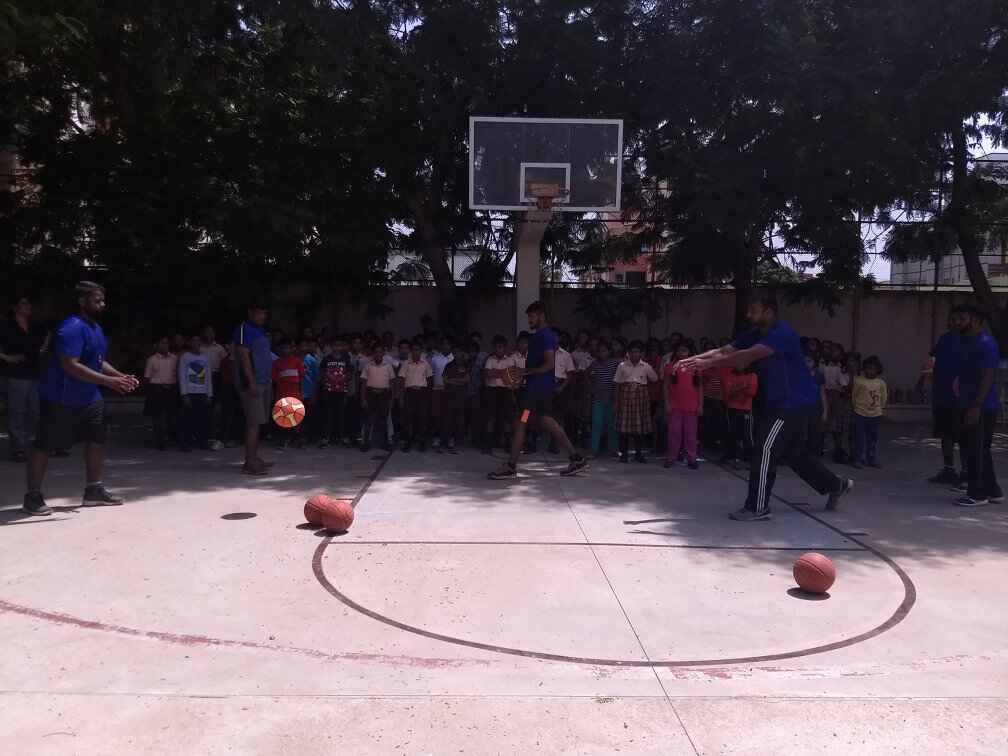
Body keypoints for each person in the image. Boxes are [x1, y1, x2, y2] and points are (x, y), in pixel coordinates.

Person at [679, 295, 852, 521]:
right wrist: (693, 360)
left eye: (754, 310)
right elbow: (726, 350)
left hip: (792, 403)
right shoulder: (757, 333)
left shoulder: (781, 334)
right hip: (784, 402)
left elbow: (744, 357)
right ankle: (836, 485)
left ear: (769, 312)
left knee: (765, 448)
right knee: (794, 454)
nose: (749, 315)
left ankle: (757, 507)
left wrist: (705, 364)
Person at [23, 281, 139, 515]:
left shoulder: (94, 327)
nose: (103, 305)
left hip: (90, 397)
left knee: (97, 440)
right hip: (60, 397)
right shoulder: (71, 327)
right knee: (44, 445)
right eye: (97, 300)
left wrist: (120, 376)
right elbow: (70, 366)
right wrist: (109, 382)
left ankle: (93, 491)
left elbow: (96, 360)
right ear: (82, 301)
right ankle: (32, 497)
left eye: (103, 300)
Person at [488, 302, 588, 479]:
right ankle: (576, 458)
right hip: (538, 391)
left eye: (532, 316)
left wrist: (525, 372)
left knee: (521, 421)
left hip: (537, 391)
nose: (529, 320)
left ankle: (511, 465)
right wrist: (523, 377)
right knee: (546, 421)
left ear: (541, 315)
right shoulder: (540, 336)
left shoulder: (546, 336)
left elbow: (549, 364)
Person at [955, 308, 1003, 507]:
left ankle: (977, 494)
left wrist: (976, 405)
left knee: (975, 450)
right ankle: (993, 491)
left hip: (981, 407)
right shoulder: (970, 342)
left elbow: (988, 376)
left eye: (962, 319)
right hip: (969, 403)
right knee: (978, 449)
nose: (957, 322)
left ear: (976, 321)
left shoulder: (986, 344)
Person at [1, 295, 49, 462]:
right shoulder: (6, 325)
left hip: (35, 372)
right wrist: (5, 358)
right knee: (17, 412)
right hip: (15, 374)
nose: (28, 306)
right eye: (24, 303)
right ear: (15, 307)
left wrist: (42, 350)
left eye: (29, 303)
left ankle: (37, 445)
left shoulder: (35, 325)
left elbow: (48, 336)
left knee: (36, 411)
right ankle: (18, 449)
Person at [927, 307, 970, 485]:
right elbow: (932, 361)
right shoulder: (944, 339)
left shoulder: (970, 341)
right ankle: (949, 469)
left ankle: (967, 472)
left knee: (964, 436)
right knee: (945, 434)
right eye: (952, 319)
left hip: (960, 397)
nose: (955, 322)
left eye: (960, 319)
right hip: (941, 394)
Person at [232, 301, 273, 475]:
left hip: (264, 382)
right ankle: (249, 462)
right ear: (250, 312)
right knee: (253, 423)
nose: (262, 316)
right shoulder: (243, 330)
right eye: (259, 313)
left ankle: (254, 457)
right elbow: (244, 358)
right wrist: (251, 382)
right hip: (252, 383)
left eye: (264, 313)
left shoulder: (261, 331)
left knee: (259, 422)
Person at [614, 340, 659, 463]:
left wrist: (642, 387)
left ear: (641, 353)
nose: (634, 354)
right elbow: (617, 384)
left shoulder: (646, 366)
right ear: (628, 353)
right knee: (624, 428)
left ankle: (639, 453)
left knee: (639, 428)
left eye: (637, 352)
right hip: (625, 397)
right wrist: (617, 402)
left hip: (640, 398)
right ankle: (624, 454)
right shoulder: (622, 366)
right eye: (632, 352)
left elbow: (655, 379)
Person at [664, 344, 702, 469]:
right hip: (675, 405)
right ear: (676, 351)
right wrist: (667, 403)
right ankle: (671, 458)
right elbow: (665, 386)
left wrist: (701, 405)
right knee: (674, 433)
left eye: (685, 350)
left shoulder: (696, 367)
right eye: (680, 350)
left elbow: (700, 387)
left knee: (691, 434)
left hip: (692, 405)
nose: (683, 352)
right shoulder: (670, 366)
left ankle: (692, 458)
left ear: (690, 352)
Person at [178, 334, 213, 452]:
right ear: (190, 343)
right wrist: (184, 394)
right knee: (187, 420)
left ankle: (202, 442)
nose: (196, 343)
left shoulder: (205, 358)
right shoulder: (185, 357)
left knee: (202, 419)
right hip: (189, 393)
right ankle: (185, 444)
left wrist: (209, 394)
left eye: (198, 341)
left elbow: (208, 376)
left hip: (202, 392)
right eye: (194, 341)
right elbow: (182, 375)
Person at [850, 355, 887, 469]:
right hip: (860, 413)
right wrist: (857, 407)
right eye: (867, 368)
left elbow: (884, 396)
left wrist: (880, 408)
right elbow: (854, 395)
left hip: (875, 414)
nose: (870, 371)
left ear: (878, 369)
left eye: (872, 369)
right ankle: (857, 459)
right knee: (859, 437)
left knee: (872, 438)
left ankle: (871, 458)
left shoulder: (881, 383)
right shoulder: (859, 381)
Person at [481, 335, 516, 453]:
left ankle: (508, 443)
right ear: (493, 348)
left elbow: (511, 376)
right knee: (490, 417)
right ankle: (488, 444)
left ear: (505, 348)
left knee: (507, 418)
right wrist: (503, 373)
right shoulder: (490, 359)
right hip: (492, 391)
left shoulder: (510, 360)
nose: (499, 349)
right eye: (497, 347)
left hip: (506, 391)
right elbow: (487, 374)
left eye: (501, 347)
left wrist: (497, 372)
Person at [317, 337, 354, 448]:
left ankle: (342, 437)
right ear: (331, 347)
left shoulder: (346, 359)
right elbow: (321, 372)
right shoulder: (326, 359)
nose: (337, 348)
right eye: (335, 345)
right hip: (328, 390)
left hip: (342, 391)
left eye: (339, 345)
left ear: (342, 346)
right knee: (328, 414)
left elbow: (350, 373)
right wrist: (329, 376)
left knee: (341, 414)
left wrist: (343, 378)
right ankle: (326, 437)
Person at [144, 336, 180, 450]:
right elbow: (147, 378)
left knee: (172, 416)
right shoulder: (151, 360)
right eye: (162, 343)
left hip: (171, 389)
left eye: (166, 343)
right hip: (157, 389)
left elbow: (179, 374)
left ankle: (172, 438)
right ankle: (160, 442)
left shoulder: (175, 358)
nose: (165, 345)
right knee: (157, 418)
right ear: (157, 345)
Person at [588, 340, 620, 457]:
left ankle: (613, 449)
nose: (602, 353)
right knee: (596, 424)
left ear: (609, 351)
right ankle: (593, 450)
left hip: (611, 398)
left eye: (604, 351)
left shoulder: (615, 363)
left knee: (612, 425)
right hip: (598, 399)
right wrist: (592, 388)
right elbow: (587, 375)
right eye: (600, 351)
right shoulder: (594, 364)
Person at [271, 338, 305, 448]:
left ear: (292, 349)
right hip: (282, 393)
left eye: (288, 348)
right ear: (280, 349)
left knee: (297, 416)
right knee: (283, 417)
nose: (286, 350)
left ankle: (297, 438)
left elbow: (301, 378)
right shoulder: (276, 363)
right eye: (283, 348)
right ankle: (283, 439)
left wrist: (301, 393)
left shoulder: (297, 362)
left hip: (295, 393)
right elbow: (275, 380)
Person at [360, 345, 395, 452]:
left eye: (380, 352)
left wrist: (392, 399)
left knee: (385, 419)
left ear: (383, 354)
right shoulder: (368, 366)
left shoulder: (388, 366)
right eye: (376, 352)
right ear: (373, 354)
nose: (378, 354)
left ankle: (386, 442)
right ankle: (366, 442)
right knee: (368, 419)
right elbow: (363, 384)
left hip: (384, 394)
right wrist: (363, 399)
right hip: (371, 394)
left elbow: (392, 383)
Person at [721, 366, 758, 465]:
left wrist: (737, 389)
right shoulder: (729, 376)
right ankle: (732, 455)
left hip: (745, 409)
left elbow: (751, 392)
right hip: (731, 408)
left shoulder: (752, 375)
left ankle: (750, 457)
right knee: (732, 432)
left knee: (747, 433)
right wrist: (743, 387)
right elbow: (729, 393)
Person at [401, 341, 433, 452]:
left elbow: (429, 380)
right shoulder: (406, 363)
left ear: (421, 352)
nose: (416, 352)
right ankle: (407, 442)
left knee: (422, 418)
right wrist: (401, 396)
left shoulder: (426, 364)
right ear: (411, 352)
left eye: (418, 350)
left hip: (422, 393)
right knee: (408, 419)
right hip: (410, 393)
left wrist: (427, 396)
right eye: (414, 350)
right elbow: (401, 379)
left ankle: (422, 442)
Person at [822, 343, 851, 463]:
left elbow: (845, 384)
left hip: (838, 396)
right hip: (825, 394)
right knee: (824, 423)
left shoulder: (842, 368)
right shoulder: (822, 365)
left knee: (838, 424)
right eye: (832, 351)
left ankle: (838, 449)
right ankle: (818, 447)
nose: (834, 353)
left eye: (837, 351)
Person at [200, 325, 227, 446]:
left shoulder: (219, 348)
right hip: (201, 376)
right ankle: (203, 432)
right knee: (203, 404)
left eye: (211, 332)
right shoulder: (199, 348)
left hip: (216, 376)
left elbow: (226, 362)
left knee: (216, 406)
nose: (209, 334)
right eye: (207, 332)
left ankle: (214, 432)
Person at [442, 344, 471, 452]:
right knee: (449, 418)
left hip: (461, 396)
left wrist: (453, 380)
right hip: (450, 396)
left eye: (459, 352)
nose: (457, 354)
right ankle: (448, 440)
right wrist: (458, 380)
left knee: (460, 419)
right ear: (452, 354)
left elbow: (467, 379)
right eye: (455, 352)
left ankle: (459, 441)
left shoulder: (465, 365)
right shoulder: (449, 365)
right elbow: (445, 380)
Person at [428, 337, 454, 451]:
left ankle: (449, 439)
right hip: (437, 390)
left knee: (449, 416)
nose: (445, 346)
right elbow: (431, 374)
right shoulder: (435, 359)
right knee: (437, 415)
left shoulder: (454, 358)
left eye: (447, 344)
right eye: (443, 344)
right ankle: (437, 438)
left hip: (451, 391)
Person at [300, 337, 319, 443]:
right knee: (297, 415)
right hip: (297, 391)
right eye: (301, 345)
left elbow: (316, 378)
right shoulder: (295, 359)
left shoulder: (311, 360)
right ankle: (298, 436)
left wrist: (314, 393)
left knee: (308, 415)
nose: (303, 348)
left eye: (305, 345)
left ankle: (307, 437)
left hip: (309, 391)